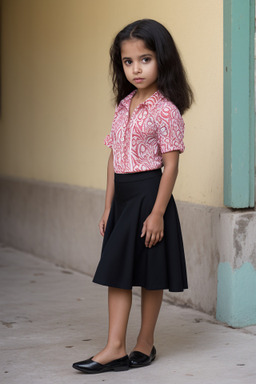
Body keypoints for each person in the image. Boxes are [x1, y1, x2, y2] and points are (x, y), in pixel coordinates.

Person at [73, 18, 193, 374]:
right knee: (118, 272)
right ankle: (115, 347)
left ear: (162, 60)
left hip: (149, 195)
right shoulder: (123, 106)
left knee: (150, 272)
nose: (136, 68)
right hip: (123, 198)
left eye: (145, 59)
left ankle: (144, 342)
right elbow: (113, 158)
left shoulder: (166, 110)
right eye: (128, 61)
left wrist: (157, 213)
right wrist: (108, 206)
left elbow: (170, 167)